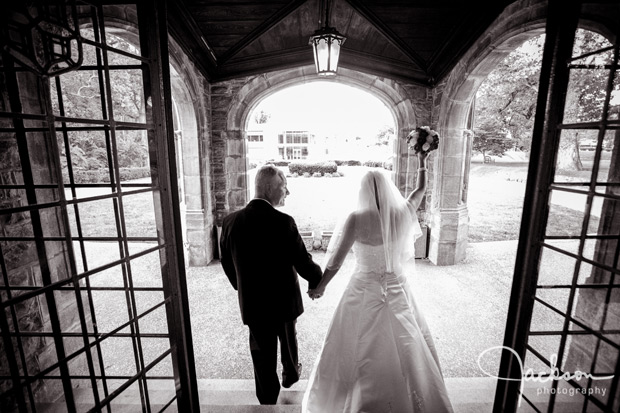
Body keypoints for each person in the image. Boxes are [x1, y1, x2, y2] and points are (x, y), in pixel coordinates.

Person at [303, 152, 454, 412]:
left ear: (363, 192)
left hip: (362, 289)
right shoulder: (404, 212)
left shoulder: (356, 219)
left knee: (350, 347)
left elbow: (336, 262)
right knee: (410, 345)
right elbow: (420, 190)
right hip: (398, 290)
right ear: (387, 190)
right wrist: (422, 160)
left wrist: (321, 286)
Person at [219, 165, 323, 405]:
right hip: (284, 301)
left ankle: (267, 401)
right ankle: (290, 374)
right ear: (268, 188)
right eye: (283, 186)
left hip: (253, 303)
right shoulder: (284, 222)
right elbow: (302, 261)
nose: (287, 192)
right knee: (288, 341)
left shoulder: (231, 222)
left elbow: (226, 262)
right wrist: (318, 281)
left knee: (261, 354)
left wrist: (242, 286)